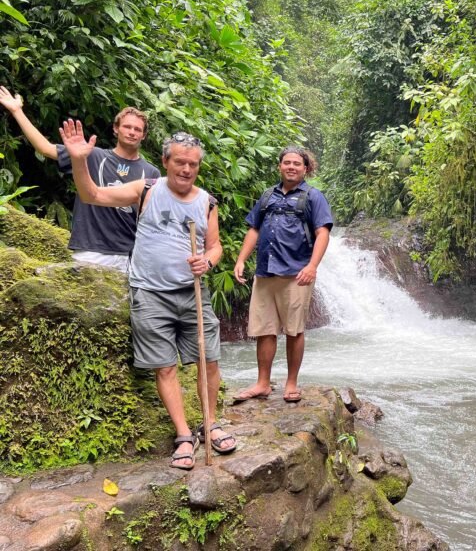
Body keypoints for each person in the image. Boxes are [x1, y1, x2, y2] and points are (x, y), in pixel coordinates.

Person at [59, 119, 236, 470]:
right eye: (180, 162)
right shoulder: (146, 189)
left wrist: (207, 261)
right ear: (166, 161)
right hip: (150, 293)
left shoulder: (207, 202)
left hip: (192, 292)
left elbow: (215, 248)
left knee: (208, 360)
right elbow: (91, 195)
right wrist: (80, 160)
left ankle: (210, 423)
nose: (187, 169)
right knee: (165, 367)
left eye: (193, 164)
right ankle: (184, 435)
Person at [0, 86, 160, 271]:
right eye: (127, 126)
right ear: (116, 129)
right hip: (90, 249)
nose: (132, 132)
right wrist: (17, 111)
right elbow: (44, 148)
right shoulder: (90, 155)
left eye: (137, 129)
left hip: (129, 254)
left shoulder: (151, 173)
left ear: (143, 135)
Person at [232, 146, 333, 403]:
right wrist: (242, 259)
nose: (291, 167)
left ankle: (291, 383)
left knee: (294, 330)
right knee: (264, 330)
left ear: (305, 168)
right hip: (265, 271)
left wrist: (312, 266)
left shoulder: (313, 197)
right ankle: (263, 383)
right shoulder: (267, 196)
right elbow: (254, 229)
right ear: (280, 166)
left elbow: (322, 232)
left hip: (296, 273)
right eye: (287, 162)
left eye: (296, 163)